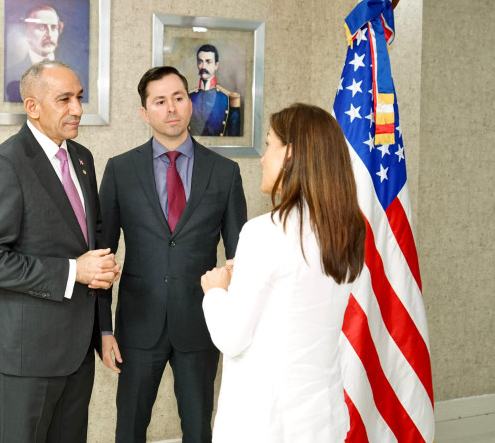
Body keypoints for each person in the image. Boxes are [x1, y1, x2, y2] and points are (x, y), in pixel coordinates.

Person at [0, 60, 121, 442]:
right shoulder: (5, 164)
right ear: (32, 107)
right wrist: (73, 272)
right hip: (28, 357)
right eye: (65, 99)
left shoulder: (82, 159)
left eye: (80, 98)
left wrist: (104, 328)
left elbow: (95, 253)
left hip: (79, 351)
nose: (78, 109)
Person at [200, 103, 366, 442]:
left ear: (289, 154)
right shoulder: (347, 229)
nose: (262, 158)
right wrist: (246, 275)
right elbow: (298, 297)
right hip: (322, 417)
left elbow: (232, 338)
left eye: (269, 144)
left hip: (265, 422)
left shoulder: (264, 232)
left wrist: (216, 290)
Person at [98, 66, 247, 442]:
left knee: (199, 429)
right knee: (129, 429)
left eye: (179, 97)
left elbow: (239, 259)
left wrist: (237, 325)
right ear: (145, 113)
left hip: (200, 324)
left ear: (189, 103)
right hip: (137, 324)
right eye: (160, 101)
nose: (172, 108)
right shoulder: (120, 170)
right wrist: (103, 328)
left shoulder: (225, 173)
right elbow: (101, 256)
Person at [4, 5, 65, 102]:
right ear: (27, 33)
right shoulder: (10, 76)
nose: (49, 35)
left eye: (53, 28)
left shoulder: (75, 75)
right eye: (41, 27)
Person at [188, 44, 241, 137]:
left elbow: (234, 138)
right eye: (200, 62)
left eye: (208, 62)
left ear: (216, 65)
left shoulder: (228, 98)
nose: (203, 66)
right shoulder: (188, 96)